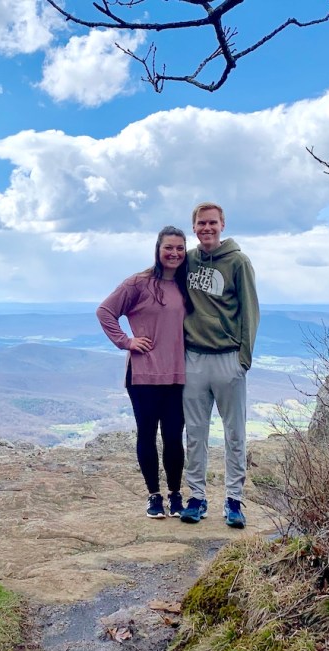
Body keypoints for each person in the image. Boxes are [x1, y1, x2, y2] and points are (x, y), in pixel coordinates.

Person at [97, 226, 193, 519]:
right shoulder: (137, 283)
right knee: (147, 435)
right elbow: (105, 311)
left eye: (180, 248)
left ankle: (175, 495)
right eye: (169, 248)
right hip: (143, 375)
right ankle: (154, 496)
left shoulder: (185, 283)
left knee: (174, 437)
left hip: (178, 374)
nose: (174, 253)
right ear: (158, 249)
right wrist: (126, 341)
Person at [180, 202, 260, 529]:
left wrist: (243, 359)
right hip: (194, 358)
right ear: (194, 227)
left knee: (235, 434)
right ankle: (196, 499)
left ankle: (234, 502)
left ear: (223, 224)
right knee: (196, 434)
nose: (207, 228)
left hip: (228, 358)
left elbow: (250, 311)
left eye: (212, 222)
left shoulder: (238, 262)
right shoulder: (188, 261)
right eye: (201, 223)